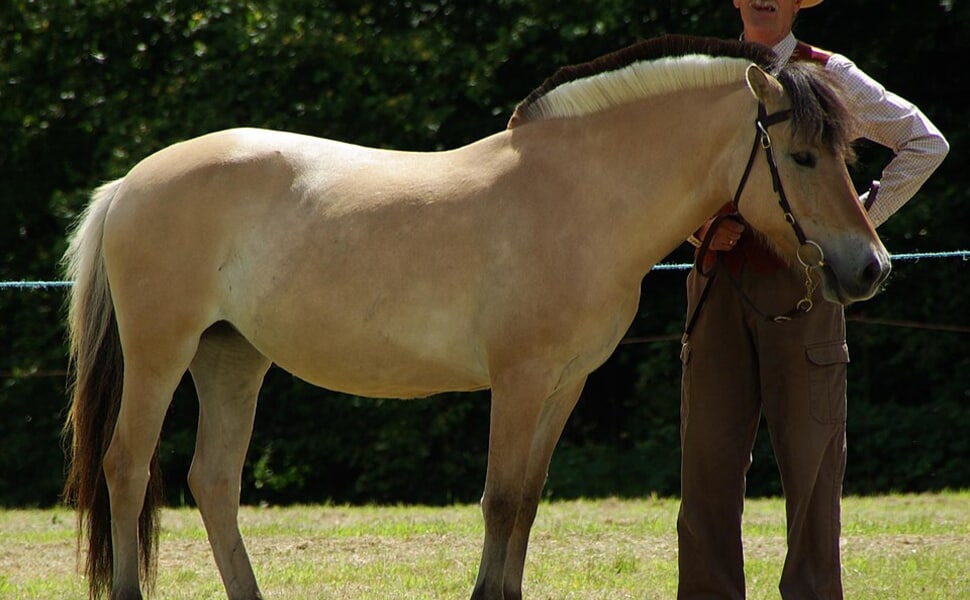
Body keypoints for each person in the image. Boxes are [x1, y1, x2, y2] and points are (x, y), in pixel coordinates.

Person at [677, 1, 949, 599]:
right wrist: (697, 229)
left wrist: (850, 226)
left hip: (804, 284)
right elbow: (666, 174)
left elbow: (925, 143)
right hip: (716, 282)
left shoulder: (830, 73)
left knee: (812, 463)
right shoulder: (702, 75)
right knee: (705, 464)